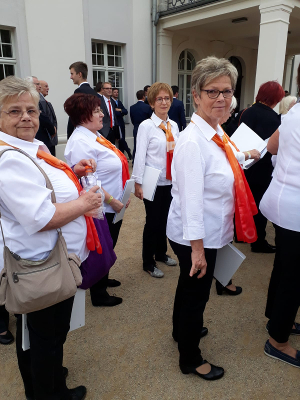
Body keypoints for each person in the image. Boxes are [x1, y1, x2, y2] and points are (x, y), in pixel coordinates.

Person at [0, 76, 102, 400]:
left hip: (51, 261)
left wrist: (74, 171)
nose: (26, 117)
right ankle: (49, 392)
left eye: (31, 109)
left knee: (41, 336)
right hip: (41, 265)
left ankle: (48, 383)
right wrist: (85, 203)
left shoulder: (30, 147)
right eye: (14, 111)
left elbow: (44, 187)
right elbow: (40, 217)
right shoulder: (10, 158)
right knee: (46, 339)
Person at [166, 56, 259, 380]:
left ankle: (181, 333)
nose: (221, 98)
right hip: (196, 235)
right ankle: (189, 358)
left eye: (227, 91)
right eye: (212, 91)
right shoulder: (193, 141)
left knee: (188, 290)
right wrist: (197, 251)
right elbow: (192, 202)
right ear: (196, 95)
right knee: (196, 295)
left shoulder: (217, 132)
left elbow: (229, 164)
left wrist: (250, 156)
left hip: (209, 230)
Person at [64, 93, 130, 307]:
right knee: (101, 246)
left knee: (109, 243)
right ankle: (99, 294)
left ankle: (104, 277)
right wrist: (113, 201)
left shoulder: (94, 135)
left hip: (111, 204)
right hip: (102, 207)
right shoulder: (80, 142)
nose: (102, 114)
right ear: (84, 116)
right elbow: (89, 183)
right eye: (97, 111)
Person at [260, 63, 300, 369]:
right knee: (294, 276)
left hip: (281, 201)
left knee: (285, 265)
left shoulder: (292, 113)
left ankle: (276, 318)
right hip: (294, 208)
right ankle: (278, 340)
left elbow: (272, 147)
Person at [132, 82, 179, 278]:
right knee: (152, 222)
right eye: (159, 99)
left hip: (170, 182)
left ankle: (161, 253)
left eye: (167, 98)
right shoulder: (146, 126)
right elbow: (140, 155)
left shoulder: (173, 125)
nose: (164, 102)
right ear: (151, 103)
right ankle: (148, 262)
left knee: (165, 220)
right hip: (153, 182)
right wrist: (137, 182)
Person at [238, 81, 285, 253]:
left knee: (243, 201)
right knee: (259, 206)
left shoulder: (246, 111)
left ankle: (240, 234)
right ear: (275, 98)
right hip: (262, 167)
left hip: (243, 162)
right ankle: (258, 241)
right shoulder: (273, 118)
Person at [26, 76, 57, 156]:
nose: (40, 86)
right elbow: (42, 117)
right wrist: (52, 129)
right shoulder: (32, 100)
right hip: (39, 138)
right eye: (37, 84)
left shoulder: (35, 99)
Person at [67, 61, 98, 138]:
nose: (71, 77)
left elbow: (74, 115)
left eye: (72, 74)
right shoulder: (93, 92)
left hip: (83, 133)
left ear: (79, 74)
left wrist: (70, 135)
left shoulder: (79, 91)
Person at [130, 90, 152, 161]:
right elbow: (151, 118)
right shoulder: (147, 107)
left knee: (136, 145)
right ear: (143, 96)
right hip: (146, 128)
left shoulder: (132, 107)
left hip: (136, 127)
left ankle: (134, 161)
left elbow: (132, 119)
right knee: (145, 145)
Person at [111, 87, 132, 159]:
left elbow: (125, 111)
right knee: (121, 139)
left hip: (121, 123)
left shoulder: (119, 102)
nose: (116, 93)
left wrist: (120, 110)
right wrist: (120, 112)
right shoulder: (110, 102)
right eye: (115, 92)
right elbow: (115, 113)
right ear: (111, 93)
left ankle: (122, 155)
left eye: (117, 92)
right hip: (116, 124)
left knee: (122, 140)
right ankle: (128, 152)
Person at [39, 79, 58, 156]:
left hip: (51, 140)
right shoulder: (39, 102)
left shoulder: (46, 102)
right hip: (46, 140)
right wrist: (52, 130)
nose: (48, 88)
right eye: (46, 86)